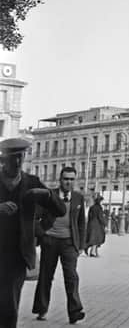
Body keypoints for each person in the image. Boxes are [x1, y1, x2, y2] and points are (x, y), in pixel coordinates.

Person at [0, 138, 66, 328]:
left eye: (21, 157)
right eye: (13, 158)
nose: (18, 163)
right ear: (4, 159)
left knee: (9, 305)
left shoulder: (32, 183)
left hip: (16, 256)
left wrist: (47, 197)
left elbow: (60, 210)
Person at [32, 167, 86, 324]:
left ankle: (75, 312)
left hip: (69, 243)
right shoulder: (50, 195)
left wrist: (81, 245)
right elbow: (36, 217)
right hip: (50, 241)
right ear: (60, 180)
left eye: (71, 179)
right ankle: (41, 309)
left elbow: (81, 222)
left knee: (72, 277)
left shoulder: (78, 198)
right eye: (65, 179)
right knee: (46, 276)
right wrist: (42, 235)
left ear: (74, 181)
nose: (68, 182)